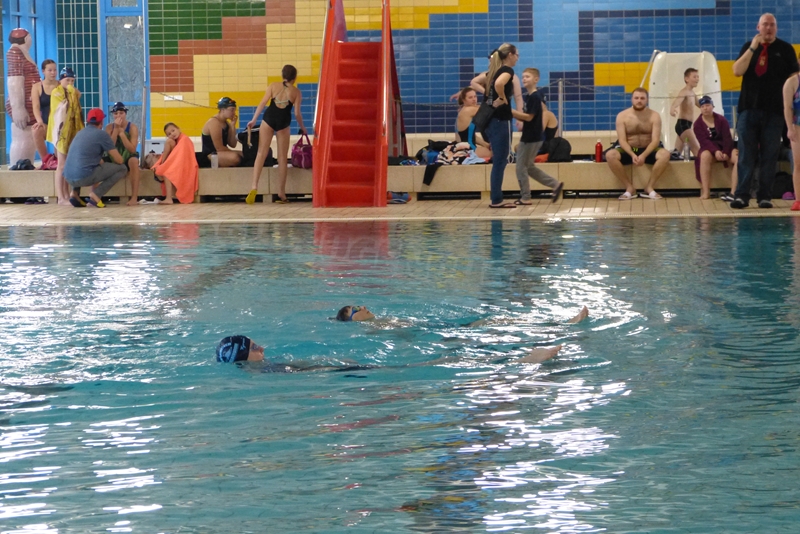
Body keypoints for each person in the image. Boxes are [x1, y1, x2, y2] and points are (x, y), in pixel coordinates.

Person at [731, 13, 799, 209]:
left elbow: (795, 79)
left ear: (776, 28)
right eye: (765, 25)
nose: (768, 28)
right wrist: (753, 47)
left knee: (770, 155)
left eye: (772, 25)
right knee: (746, 154)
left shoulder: (785, 49)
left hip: (775, 112)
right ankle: (742, 195)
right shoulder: (748, 47)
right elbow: (737, 71)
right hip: (749, 109)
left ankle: (764, 196)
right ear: (758, 27)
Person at [215, 334, 565, 368]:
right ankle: (524, 360)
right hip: (347, 373)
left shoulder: (268, 369)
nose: (263, 347)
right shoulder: (270, 371)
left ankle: (519, 357)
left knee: (445, 357)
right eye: (255, 347)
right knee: (442, 360)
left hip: (344, 370)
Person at [246, 64, 306, 204]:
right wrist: (303, 128)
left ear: (282, 75)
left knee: (261, 153)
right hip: (283, 122)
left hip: (269, 118)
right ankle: (281, 193)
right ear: (295, 77)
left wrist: (254, 120)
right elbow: (297, 113)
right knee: (282, 158)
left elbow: (262, 103)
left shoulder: (273, 85)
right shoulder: (296, 92)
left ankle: (254, 186)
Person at [511, 67, 564, 204]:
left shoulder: (535, 97)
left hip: (531, 138)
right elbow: (529, 118)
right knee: (529, 167)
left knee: (520, 167)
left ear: (536, 79)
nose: (524, 79)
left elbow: (529, 117)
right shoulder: (530, 97)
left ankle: (525, 197)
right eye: (523, 77)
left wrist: (511, 112)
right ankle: (555, 184)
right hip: (532, 137)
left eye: (527, 76)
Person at [605, 87, 670, 200]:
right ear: (632, 99)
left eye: (642, 98)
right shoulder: (622, 116)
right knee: (610, 155)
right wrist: (632, 154)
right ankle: (629, 187)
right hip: (631, 149)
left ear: (647, 100)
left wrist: (643, 155)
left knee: (665, 154)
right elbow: (622, 140)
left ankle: (649, 187)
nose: (639, 101)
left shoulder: (654, 116)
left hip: (648, 149)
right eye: (636, 98)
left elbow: (655, 140)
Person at [62, 108, 126, 208]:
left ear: (88, 121)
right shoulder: (102, 134)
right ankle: (96, 194)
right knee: (122, 168)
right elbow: (119, 160)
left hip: (68, 177)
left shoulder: (80, 133)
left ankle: (74, 193)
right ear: (101, 122)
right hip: (84, 177)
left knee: (82, 163)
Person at [482, 44, 520, 208]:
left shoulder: (493, 71)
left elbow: (477, 83)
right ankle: (496, 199)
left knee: (498, 160)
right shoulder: (507, 71)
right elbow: (499, 84)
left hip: (490, 121)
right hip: (500, 120)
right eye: (517, 55)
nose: (517, 58)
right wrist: (503, 98)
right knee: (500, 160)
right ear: (510, 55)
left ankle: (496, 198)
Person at [47, 67, 83, 206]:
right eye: (67, 80)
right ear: (61, 80)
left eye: (72, 81)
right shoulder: (56, 92)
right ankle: (61, 197)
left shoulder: (71, 92)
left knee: (67, 165)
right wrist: (74, 94)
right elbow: (62, 110)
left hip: (71, 132)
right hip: (60, 133)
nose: (70, 83)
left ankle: (67, 194)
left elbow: (77, 112)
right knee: (61, 165)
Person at [5, 28, 39, 166]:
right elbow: (14, 80)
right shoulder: (15, 52)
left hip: (28, 102)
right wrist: (18, 107)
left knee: (29, 137)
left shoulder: (21, 52)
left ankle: (26, 166)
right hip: (22, 104)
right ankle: (19, 168)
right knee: (23, 137)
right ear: (26, 39)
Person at [692, 96, 737, 200]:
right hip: (709, 149)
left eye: (707, 105)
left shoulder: (722, 120)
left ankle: (734, 192)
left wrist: (726, 152)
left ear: (713, 106)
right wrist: (715, 151)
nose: (705, 108)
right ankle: (706, 192)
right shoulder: (697, 124)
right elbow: (704, 142)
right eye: (702, 106)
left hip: (725, 147)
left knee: (738, 157)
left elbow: (727, 138)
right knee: (704, 156)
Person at [151, 122, 199, 205]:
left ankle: (169, 198)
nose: (172, 134)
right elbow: (176, 154)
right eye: (169, 134)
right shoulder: (175, 140)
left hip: (187, 165)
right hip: (179, 162)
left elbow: (180, 156)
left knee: (167, 172)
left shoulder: (184, 139)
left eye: (173, 130)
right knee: (169, 142)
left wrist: (164, 165)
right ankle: (163, 164)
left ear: (178, 129)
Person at [104, 102, 141, 206]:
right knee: (98, 161)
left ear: (125, 114)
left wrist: (122, 134)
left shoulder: (132, 127)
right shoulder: (109, 128)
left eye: (121, 113)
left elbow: (132, 149)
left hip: (128, 155)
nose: (118, 116)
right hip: (114, 156)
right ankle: (95, 196)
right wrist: (116, 130)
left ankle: (134, 197)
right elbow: (109, 146)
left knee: (134, 161)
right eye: (116, 113)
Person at [31, 59, 58, 169]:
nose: (53, 73)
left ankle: (57, 159)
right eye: (50, 70)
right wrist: (39, 121)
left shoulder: (61, 85)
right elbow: (36, 107)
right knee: (36, 130)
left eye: (55, 70)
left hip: (59, 125)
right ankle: (46, 161)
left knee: (59, 157)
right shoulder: (37, 87)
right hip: (46, 124)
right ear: (43, 71)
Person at [201, 96, 242, 168]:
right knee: (235, 157)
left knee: (246, 155)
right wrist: (236, 153)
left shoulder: (226, 123)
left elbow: (233, 144)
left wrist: (232, 126)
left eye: (234, 110)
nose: (234, 113)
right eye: (231, 110)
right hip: (210, 155)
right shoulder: (214, 122)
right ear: (223, 110)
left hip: (221, 153)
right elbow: (219, 148)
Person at [669, 68, 701, 158]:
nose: (697, 79)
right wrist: (673, 107)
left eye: (698, 77)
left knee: (676, 154)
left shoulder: (692, 93)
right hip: (683, 125)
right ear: (686, 79)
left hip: (685, 125)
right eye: (694, 77)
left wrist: (709, 105)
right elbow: (677, 101)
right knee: (698, 152)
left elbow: (700, 104)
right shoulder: (684, 92)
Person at [454, 87, 492, 160]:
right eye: (470, 97)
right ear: (464, 100)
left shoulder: (463, 110)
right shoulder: (469, 110)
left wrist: (486, 145)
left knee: (495, 151)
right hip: (469, 150)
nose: (474, 99)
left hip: (465, 147)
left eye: (475, 96)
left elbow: (470, 136)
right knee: (499, 154)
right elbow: (489, 110)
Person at [782, 63, 800, 211]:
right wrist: (789, 128)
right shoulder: (792, 82)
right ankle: (798, 199)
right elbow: (787, 107)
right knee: (798, 164)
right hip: (797, 127)